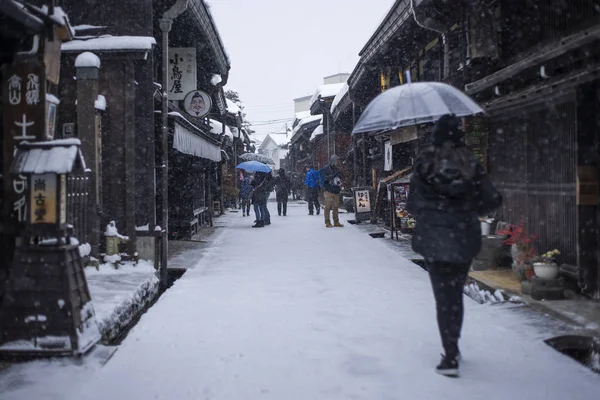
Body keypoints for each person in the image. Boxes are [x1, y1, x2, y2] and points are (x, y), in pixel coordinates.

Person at [406, 114, 502, 378]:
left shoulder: (425, 164)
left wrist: (432, 208)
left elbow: (412, 205)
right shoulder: (470, 163)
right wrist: (468, 207)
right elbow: (490, 199)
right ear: (458, 136)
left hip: (433, 240)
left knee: (442, 298)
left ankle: (450, 354)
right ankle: (453, 348)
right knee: (455, 295)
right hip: (462, 237)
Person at [320, 155, 344, 228]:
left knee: (335, 207)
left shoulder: (337, 169)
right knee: (328, 207)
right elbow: (325, 178)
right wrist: (333, 175)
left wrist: (340, 176)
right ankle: (327, 222)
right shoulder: (326, 168)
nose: (337, 162)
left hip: (336, 190)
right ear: (333, 161)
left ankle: (336, 222)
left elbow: (340, 177)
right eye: (336, 160)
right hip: (328, 190)